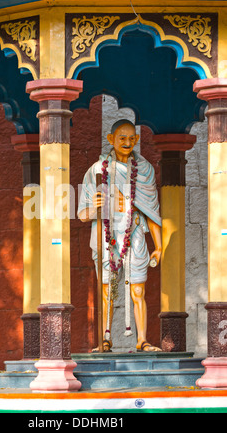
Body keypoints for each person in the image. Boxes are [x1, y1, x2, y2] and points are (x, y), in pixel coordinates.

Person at [78, 119, 162, 352]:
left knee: (138, 290)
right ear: (111, 139)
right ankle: (105, 340)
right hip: (106, 234)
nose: (126, 142)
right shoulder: (96, 170)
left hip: (134, 232)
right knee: (107, 290)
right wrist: (94, 207)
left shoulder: (144, 171)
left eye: (130, 138)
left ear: (136, 140)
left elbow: (151, 211)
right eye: (121, 138)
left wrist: (158, 245)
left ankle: (142, 340)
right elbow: (83, 215)